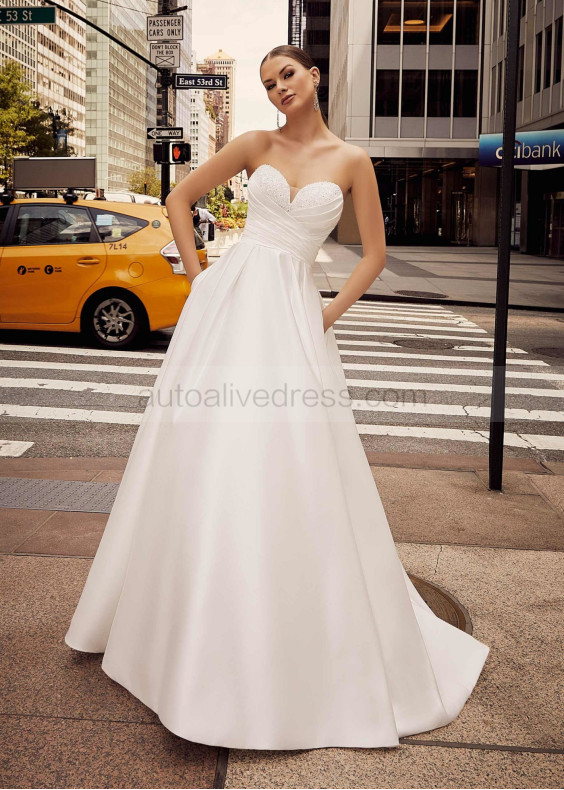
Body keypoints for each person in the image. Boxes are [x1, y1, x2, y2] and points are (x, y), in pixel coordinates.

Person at [64, 44, 490, 751]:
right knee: (208, 449)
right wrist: (201, 280)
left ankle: (271, 613)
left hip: (293, 311)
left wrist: (325, 315)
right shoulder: (253, 144)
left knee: (288, 459)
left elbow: (376, 257)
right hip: (229, 307)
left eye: (287, 75)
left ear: (314, 75)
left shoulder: (352, 161)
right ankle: (189, 619)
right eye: (267, 83)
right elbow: (178, 199)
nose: (278, 89)